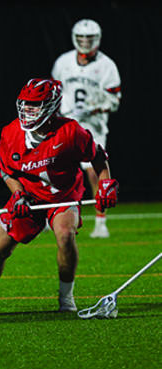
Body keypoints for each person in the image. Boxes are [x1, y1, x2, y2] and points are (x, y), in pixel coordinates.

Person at [0, 78, 119, 312]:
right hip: (30, 198)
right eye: (25, 104)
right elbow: (6, 172)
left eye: (35, 105)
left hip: (63, 196)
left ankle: (66, 299)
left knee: (65, 235)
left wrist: (105, 184)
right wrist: (19, 196)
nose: (28, 111)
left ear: (52, 106)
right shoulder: (10, 133)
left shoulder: (71, 131)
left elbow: (98, 158)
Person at [52, 19, 122, 238]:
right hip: (66, 124)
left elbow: (115, 99)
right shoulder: (63, 62)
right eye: (81, 38)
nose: (84, 42)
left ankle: (101, 222)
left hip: (93, 126)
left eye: (89, 38)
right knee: (53, 169)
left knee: (94, 172)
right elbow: (53, 90)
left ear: (97, 39)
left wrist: (95, 108)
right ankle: (49, 214)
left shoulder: (107, 65)